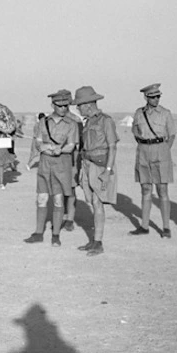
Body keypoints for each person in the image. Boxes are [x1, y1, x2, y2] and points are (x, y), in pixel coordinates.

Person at [24, 89, 79, 246]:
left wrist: (60, 150)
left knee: (58, 199)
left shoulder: (72, 124)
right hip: (45, 165)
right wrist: (49, 148)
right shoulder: (43, 122)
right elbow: (38, 143)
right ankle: (38, 232)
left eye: (66, 106)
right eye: (60, 106)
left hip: (62, 165)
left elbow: (71, 145)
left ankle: (55, 235)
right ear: (52, 105)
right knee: (41, 198)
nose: (63, 109)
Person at [74, 86, 118, 257]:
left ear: (88, 104)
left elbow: (113, 147)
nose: (78, 108)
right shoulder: (88, 122)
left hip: (100, 166)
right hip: (87, 164)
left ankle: (98, 243)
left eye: (79, 105)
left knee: (98, 202)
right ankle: (94, 240)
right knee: (92, 200)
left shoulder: (105, 121)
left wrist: (107, 171)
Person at [130, 83, 177, 238]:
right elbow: (135, 130)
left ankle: (166, 228)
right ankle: (144, 226)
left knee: (162, 190)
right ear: (146, 97)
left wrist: (164, 150)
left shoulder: (165, 113)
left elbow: (171, 135)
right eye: (153, 97)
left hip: (160, 151)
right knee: (145, 189)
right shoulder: (139, 113)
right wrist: (144, 144)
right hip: (143, 151)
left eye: (158, 96)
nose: (156, 99)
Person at [63, 104, 84, 231]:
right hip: (57, 160)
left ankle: (69, 219)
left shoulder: (76, 120)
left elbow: (81, 143)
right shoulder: (51, 120)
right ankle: (62, 217)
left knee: (70, 190)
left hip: (72, 158)